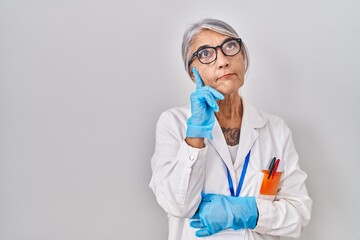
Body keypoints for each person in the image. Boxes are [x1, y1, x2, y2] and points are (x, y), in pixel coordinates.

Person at [149, 18, 312, 240]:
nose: (223, 61)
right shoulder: (174, 124)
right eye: (205, 53)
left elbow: (299, 215)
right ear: (191, 72)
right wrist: (195, 134)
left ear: (243, 57)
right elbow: (178, 205)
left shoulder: (276, 129)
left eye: (230, 47)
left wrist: (248, 212)